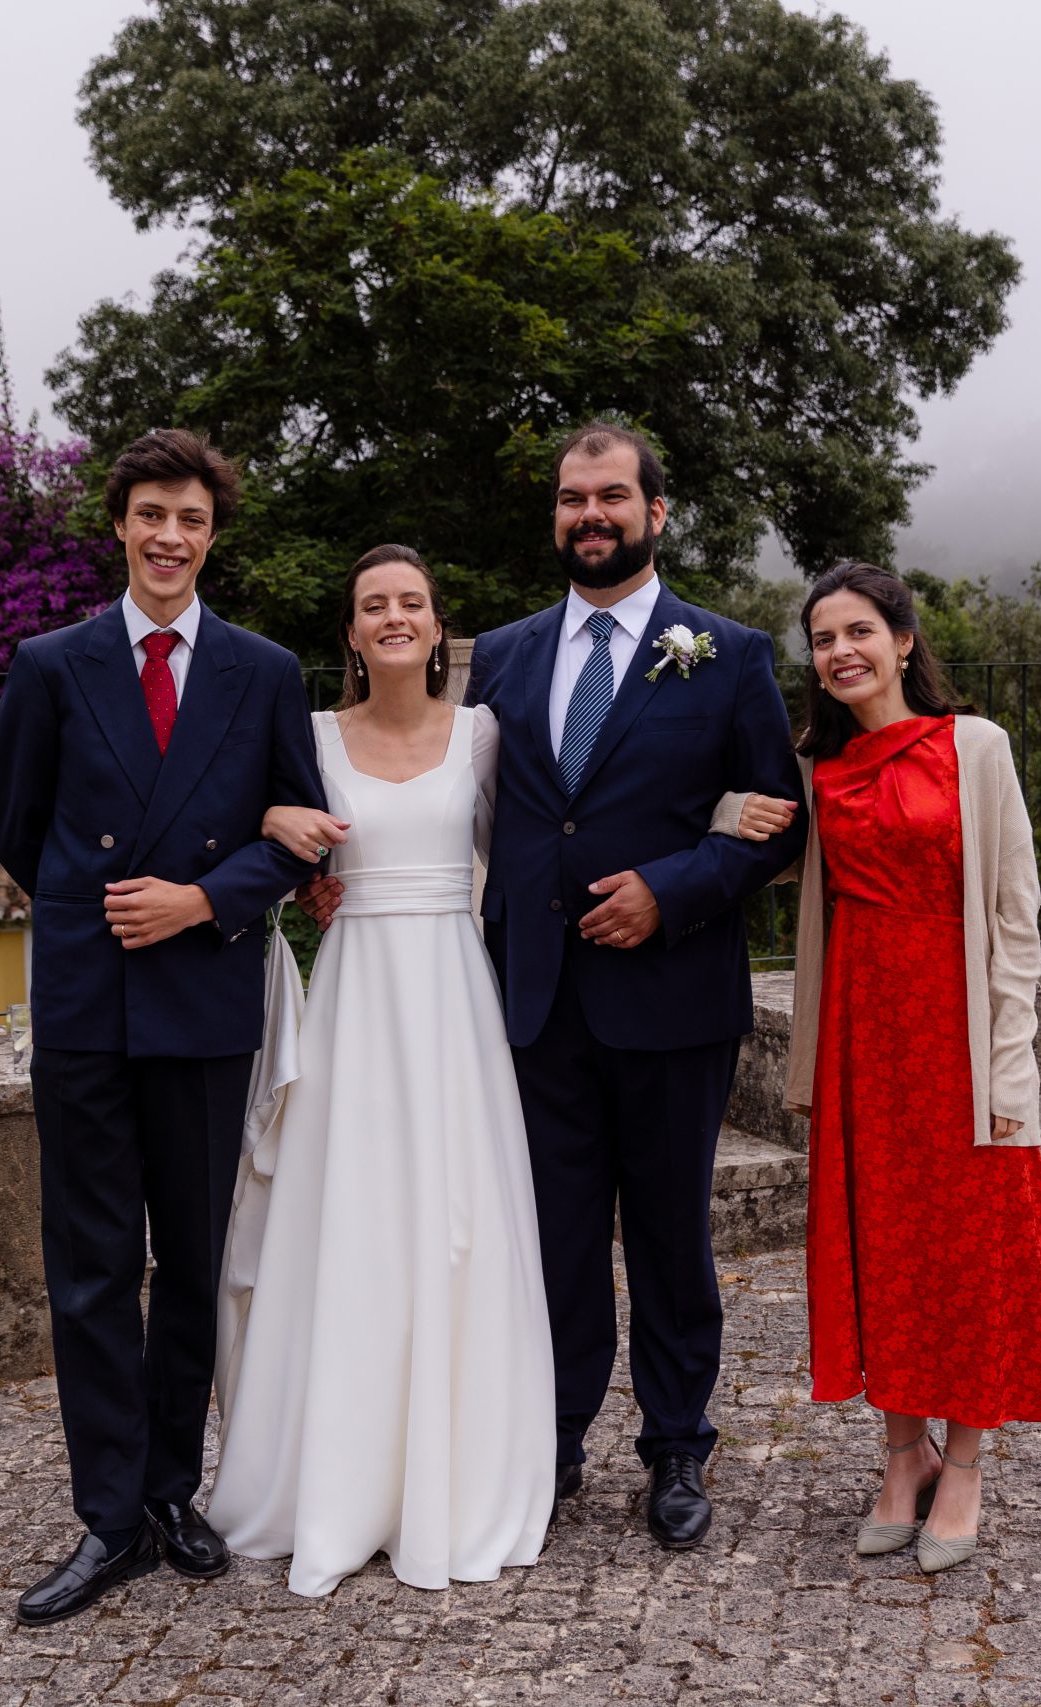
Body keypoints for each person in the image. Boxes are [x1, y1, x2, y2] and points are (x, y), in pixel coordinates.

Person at [0, 428, 328, 1626]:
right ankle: (108, 1516)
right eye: (150, 515)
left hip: (203, 998)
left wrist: (200, 901)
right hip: (88, 1003)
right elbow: (21, 834)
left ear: (211, 534)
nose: (168, 536)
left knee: (190, 1262)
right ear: (120, 525)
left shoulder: (263, 671)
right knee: (91, 1269)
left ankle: (172, 1491)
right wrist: (97, 915)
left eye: (189, 518)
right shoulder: (50, 664)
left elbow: (298, 832)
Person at [459, 422, 808, 1550]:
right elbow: (474, 803)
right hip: (536, 996)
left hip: (671, 996)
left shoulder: (726, 653)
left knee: (667, 1234)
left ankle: (676, 1445)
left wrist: (671, 889)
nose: (590, 515)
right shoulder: (502, 655)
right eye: (573, 498)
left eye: (611, 496)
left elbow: (775, 823)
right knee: (553, 1236)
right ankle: (553, 1439)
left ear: (656, 512)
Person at [204, 545, 555, 1596]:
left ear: (436, 625)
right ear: (352, 633)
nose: (393, 617)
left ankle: (457, 1474)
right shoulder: (312, 738)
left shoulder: (484, 735)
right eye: (373, 606)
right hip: (355, 995)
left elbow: (527, 852)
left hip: (451, 996)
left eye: (411, 602)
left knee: (457, 1222)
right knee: (348, 1219)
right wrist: (286, 846)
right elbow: (255, 828)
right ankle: (337, 1474)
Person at [755, 560, 1041, 1575]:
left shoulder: (974, 747)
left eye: (858, 631)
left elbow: (1015, 913)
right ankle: (903, 1456)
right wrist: (727, 817)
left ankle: (964, 1466)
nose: (840, 652)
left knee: (969, 1251)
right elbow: (753, 845)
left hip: (958, 1037)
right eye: (822, 639)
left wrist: (1009, 1064)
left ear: (901, 640)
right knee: (880, 1248)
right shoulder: (817, 768)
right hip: (862, 1041)